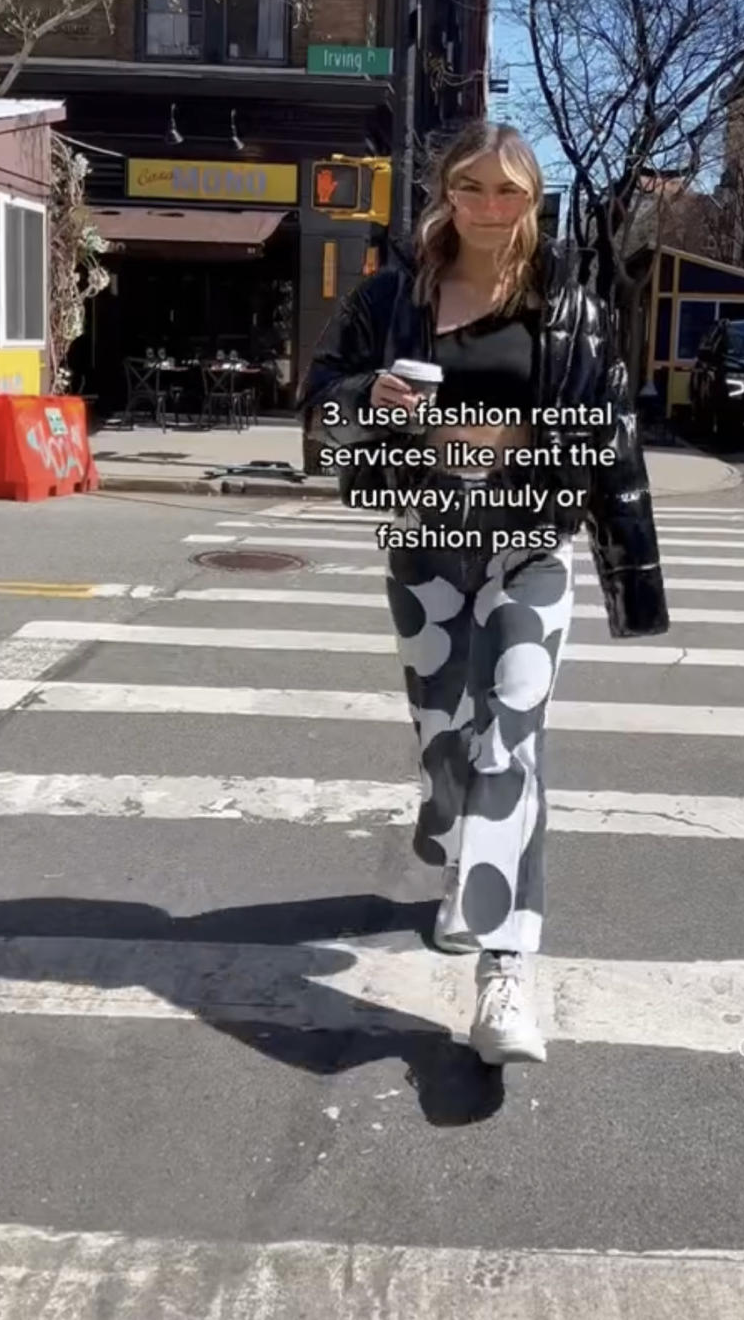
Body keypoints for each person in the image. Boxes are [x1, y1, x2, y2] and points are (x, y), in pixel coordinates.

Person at [299, 121, 668, 1068]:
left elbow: (612, 441)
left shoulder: (571, 304)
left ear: (533, 199)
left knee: (509, 737)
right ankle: (450, 830)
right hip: (427, 543)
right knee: (445, 749)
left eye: (510, 192)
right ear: (445, 194)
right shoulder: (391, 297)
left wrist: (633, 582)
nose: (492, 211)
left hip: (529, 548)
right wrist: (364, 403)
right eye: (473, 189)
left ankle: (506, 973)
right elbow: (320, 409)